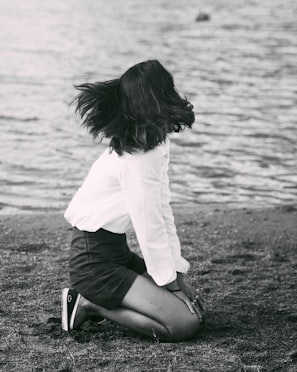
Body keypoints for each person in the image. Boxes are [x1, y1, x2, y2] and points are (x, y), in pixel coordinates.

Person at [62, 60, 206, 341]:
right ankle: (88, 304)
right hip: (94, 264)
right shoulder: (138, 156)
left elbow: (163, 210)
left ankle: (95, 302)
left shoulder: (153, 142)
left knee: (197, 313)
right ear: (158, 96)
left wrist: (177, 276)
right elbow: (148, 226)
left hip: (114, 254)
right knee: (184, 325)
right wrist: (171, 286)